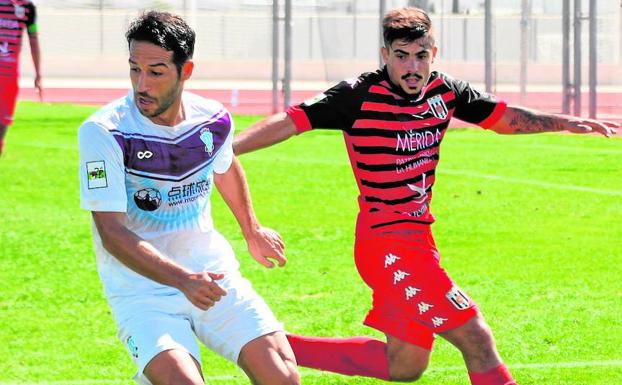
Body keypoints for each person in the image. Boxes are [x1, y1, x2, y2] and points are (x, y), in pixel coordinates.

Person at [233, 7, 619, 385]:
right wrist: (227, 150)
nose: (412, 67)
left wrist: (563, 122)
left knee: (405, 364)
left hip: (419, 239)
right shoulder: (357, 94)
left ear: (433, 54)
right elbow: (291, 120)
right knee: (476, 337)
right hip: (385, 244)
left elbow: (501, 118)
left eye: (421, 56)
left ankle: (265, 345)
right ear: (385, 56)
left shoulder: (446, 91)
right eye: (401, 56)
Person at [78, 11, 300, 385]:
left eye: (156, 71)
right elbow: (112, 234)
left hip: (213, 275)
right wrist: (183, 280)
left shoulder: (212, 119)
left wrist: (252, 230)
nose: (141, 84)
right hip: (142, 290)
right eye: (135, 69)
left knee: (283, 376)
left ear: (186, 70)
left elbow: (225, 166)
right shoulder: (104, 132)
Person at [0, 0, 42, 157]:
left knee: (4, 121)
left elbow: (34, 39)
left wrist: (38, 73)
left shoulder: (28, 9)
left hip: (9, 76)